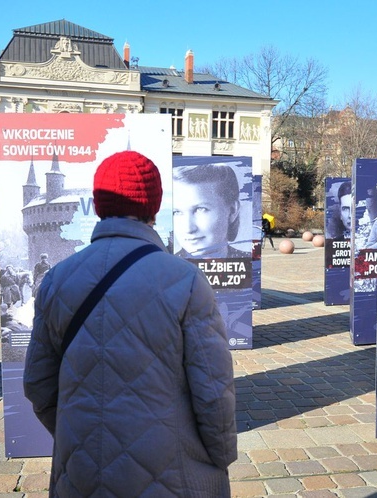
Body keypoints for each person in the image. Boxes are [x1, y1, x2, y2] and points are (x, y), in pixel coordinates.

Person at [24, 151, 236, 497]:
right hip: (168, 469)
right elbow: (213, 391)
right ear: (154, 207)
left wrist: (77, 436)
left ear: (97, 204)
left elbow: (37, 384)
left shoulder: (57, 279)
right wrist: (220, 457)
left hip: (79, 472)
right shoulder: (185, 279)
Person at [173, 163, 250, 258]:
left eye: (200, 209)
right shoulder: (166, 270)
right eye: (176, 212)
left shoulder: (249, 263)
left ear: (232, 210)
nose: (188, 229)